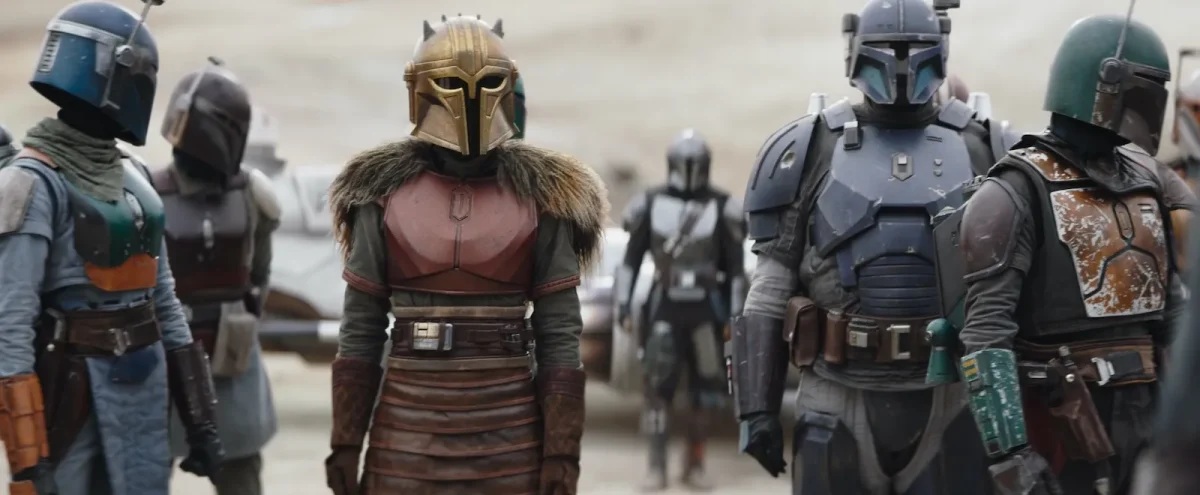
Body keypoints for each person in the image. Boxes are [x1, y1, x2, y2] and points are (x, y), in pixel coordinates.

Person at [733, 0, 1017, 493]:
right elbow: (771, 286)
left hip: (948, 394)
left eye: (911, 49)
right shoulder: (809, 148)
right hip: (838, 392)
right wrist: (756, 409)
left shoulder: (986, 146)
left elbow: (1013, 286)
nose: (900, 64)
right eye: (888, 48)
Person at [323, 15, 607, 495]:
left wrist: (562, 451)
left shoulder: (545, 199)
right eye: (452, 85)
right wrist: (346, 442)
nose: (470, 99)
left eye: (486, 84)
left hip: (508, 429)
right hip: (406, 429)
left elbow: (559, 332)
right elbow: (361, 326)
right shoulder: (379, 195)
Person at [951, 11, 1194, 495]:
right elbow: (986, 335)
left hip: (1147, 417)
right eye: (1147, 88)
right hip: (1059, 421)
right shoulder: (1013, 190)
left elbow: (1174, 317)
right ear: (1108, 86)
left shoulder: (1148, 178)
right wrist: (1010, 455)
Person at [0, 2, 223, 495]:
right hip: (70, 393)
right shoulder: (31, 182)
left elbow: (163, 300)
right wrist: (27, 459)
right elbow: (10, 323)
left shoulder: (134, 175)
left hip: (143, 388)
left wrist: (201, 419)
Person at [154, 58, 281, 495]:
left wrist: (241, 323)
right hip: (167, 360)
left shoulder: (252, 195)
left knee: (240, 475)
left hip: (231, 358)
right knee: (147, 472)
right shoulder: (150, 192)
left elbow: (258, 275)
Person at [616, 129, 744, 491]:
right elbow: (630, 261)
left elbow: (736, 270)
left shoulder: (723, 207)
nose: (690, 170)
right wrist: (624, 304)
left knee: (706, 393)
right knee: (657, 392)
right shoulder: (650, 203)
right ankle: (656, 467)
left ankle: (695, 465)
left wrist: (735, 315)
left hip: (707, 310)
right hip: (665, 307)